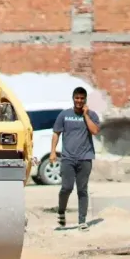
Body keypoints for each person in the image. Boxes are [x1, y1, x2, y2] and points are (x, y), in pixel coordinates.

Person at [50, 87, 101, 230]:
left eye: (82, 98)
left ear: (85, 99)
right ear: (73, 98)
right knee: (66, 187)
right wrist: (53, 152)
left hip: (85, 157)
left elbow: (95, 131)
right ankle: (61, 211)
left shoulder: (92, 115)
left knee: (82, 190)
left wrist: (86, 115)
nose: (79, 101)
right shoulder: (64, 115)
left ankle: (82, 221)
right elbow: (56, 133)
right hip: (68, 158)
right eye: (77, 98)